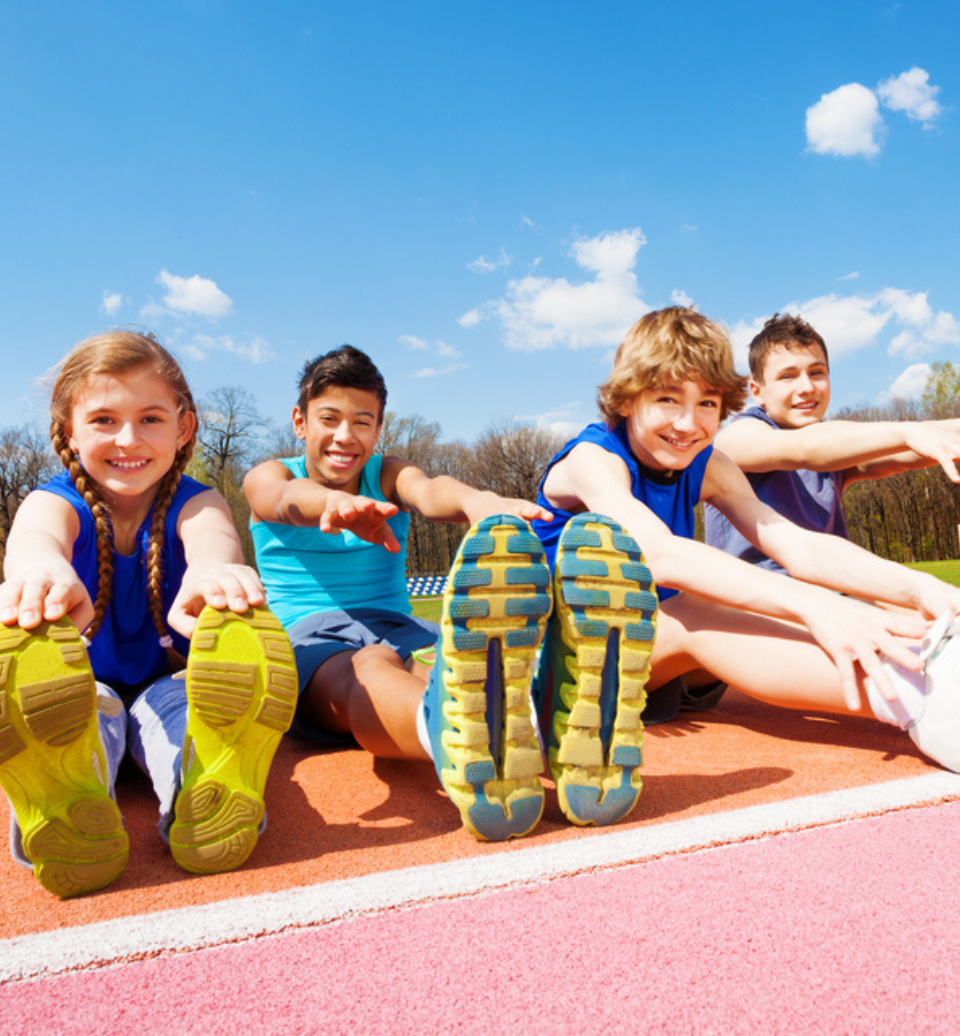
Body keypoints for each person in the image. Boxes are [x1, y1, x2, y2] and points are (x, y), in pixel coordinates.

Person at [530, 307, 960, 827]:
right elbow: (658, 554)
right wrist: (814, 605)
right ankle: (926, 701)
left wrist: (931, 592)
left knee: (748, 604)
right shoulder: (592, 460)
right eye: (667, 400)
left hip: (638, 666)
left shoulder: (707, 463)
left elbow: (798, 546)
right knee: (693, 610)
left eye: (706, 404)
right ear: (627, 400)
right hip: (556, 668)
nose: (688, 422)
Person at [0, 331, 298, 898]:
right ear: (70, 431)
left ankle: (204, 795)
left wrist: (214, 571)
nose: (128, 439)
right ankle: (68, 801)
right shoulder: (52, 500)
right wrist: (42, 572)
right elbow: (35, 536)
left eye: (151, 419)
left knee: (183, 712)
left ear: (184, 427)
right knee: (88, 713)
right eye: (104, 420)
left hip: (170, 680)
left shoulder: (198, 501)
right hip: (80, 683)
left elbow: (212, 536)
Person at [243, 345, 556, 845]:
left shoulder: (386, 474)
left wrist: (477, 502)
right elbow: (282, 500)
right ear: (300, 422)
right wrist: (334, 503)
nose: (345, 435)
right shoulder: (271, 474)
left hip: (399, 627)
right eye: (330, 418)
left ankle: (535, 722)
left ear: (378, 430)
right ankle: (454, 738)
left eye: (362, 422)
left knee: (445, 665)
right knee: (369, 665)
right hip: (310, 640)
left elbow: (429, 490)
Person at [704, 313, 960, 570]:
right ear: (757, 390)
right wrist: (907, 431)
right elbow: (806, 449)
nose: (807, 387)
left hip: (827, 593)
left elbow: (905, 452)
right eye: (788, 376)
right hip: (757, 604)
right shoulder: (737, 437)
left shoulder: (838, 451)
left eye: (817, 372)